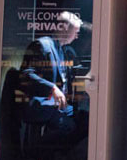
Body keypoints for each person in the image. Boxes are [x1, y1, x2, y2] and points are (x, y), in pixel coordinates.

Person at [19, 10, 85, 145]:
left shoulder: (62, 50)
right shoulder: (42, 45)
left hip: (56, 105)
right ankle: (37, 151)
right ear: (65, 27)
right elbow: (26, 75)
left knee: (84, 119)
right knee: (69, 126)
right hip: (40, 104)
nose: (77, 36)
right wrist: (52, 88)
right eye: (76, 32)